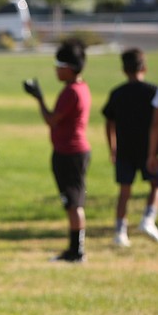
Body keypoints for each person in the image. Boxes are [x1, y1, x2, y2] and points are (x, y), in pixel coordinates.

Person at [24, 38, 92, 263]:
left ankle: (76, 251)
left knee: (73, 203)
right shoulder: (81, 87)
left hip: (69, 153)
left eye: (59, 66)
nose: (56, 70)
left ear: (69, 69)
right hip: (73, 151)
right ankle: (75, 249)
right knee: (73, 202)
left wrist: (39, 98)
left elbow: (52, 120)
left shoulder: (71, 92)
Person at [101, 49, 158, 247]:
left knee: (124, 191)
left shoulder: (117, 93)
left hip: (124, 149)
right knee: (155, 185)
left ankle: (120, 231)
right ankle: (148, 218)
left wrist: (112, 147)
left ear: (123, 69)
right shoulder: (152, 92)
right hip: (148, 149)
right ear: (144, 67)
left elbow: (109, 123)